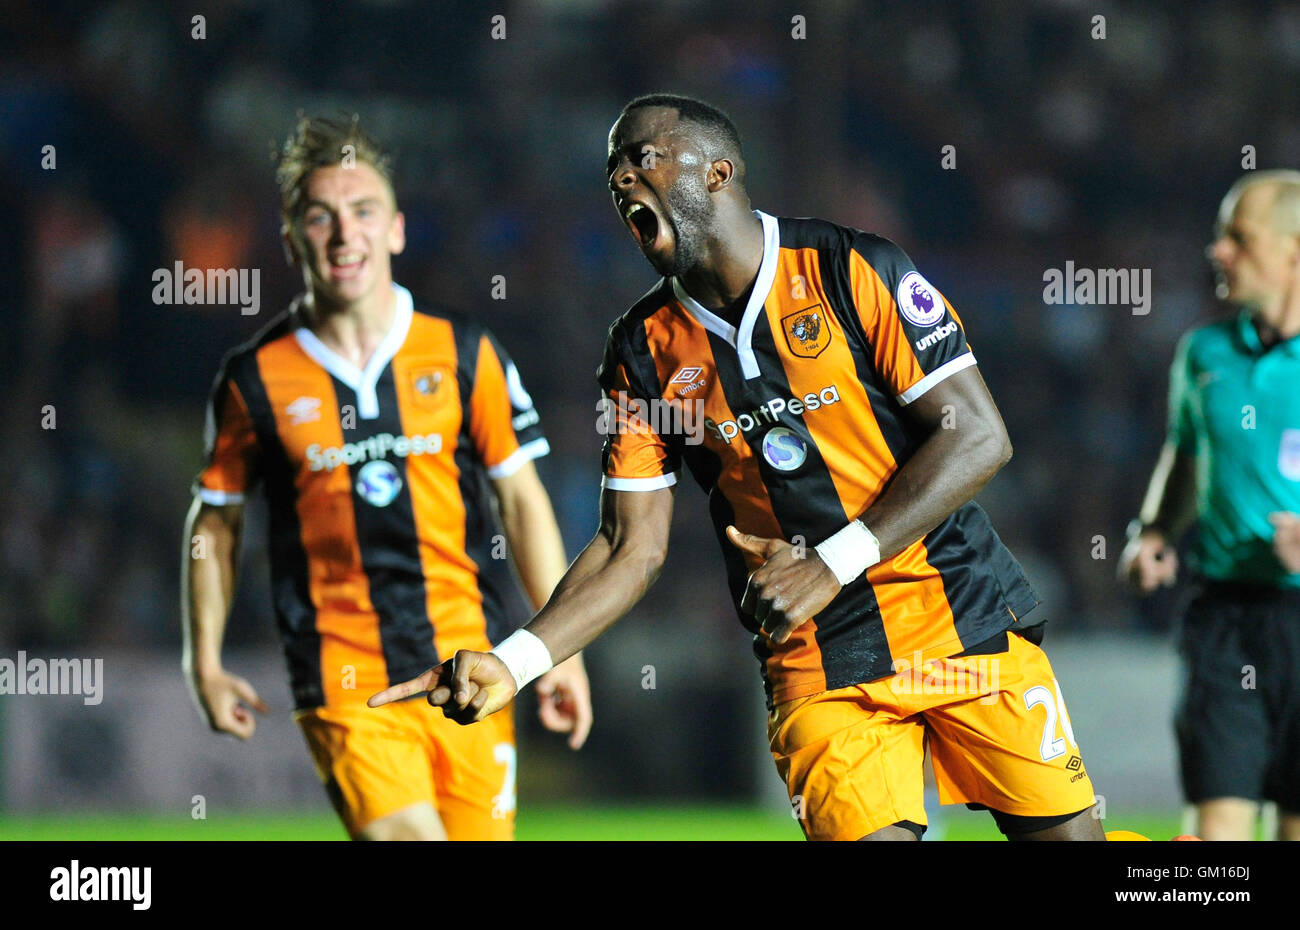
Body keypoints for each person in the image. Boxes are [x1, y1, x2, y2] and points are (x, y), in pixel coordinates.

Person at [371, 94, 1103, 841]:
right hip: (819, 662)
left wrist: (830, 562)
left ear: (717, 171)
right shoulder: (640, 354)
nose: (622, 176)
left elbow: (977, 435)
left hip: (960, 618)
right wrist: (516, 661)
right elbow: (631, 546)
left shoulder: (850, 267)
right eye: (613, 166)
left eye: (642, 155)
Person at [182, 114, 591, 841]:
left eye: (363, 211)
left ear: (396, 229)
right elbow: (215, 523)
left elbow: (523, 502)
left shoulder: (464, 353)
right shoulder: (255, 380)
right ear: (290, 241)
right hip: (343, 673)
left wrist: (560, 649)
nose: (345, 235)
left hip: (471, 664)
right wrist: (203, 661)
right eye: (321, 217)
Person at [1120, 170, 1300, 841]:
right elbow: (1184, 457)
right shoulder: (1204, 352)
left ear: (1294, 252)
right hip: (1222, 615)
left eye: (1239, 238)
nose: (1218, 251)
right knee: (1214, 831)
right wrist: (1152, 530)